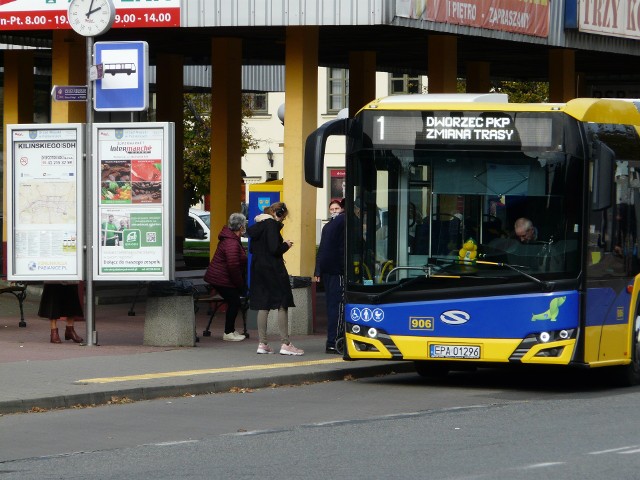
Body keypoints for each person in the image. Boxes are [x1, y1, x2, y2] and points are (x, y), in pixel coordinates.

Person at [246, 202, 304, 355]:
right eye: (283, 217)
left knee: (263, 305)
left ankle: (262, 343)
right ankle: (285, 344)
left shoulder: (258, 226)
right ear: (278, 213)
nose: (282, 220)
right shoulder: (271, 225)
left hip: (258, 269)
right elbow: (274, 249)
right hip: (273, 269)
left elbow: (252, 249)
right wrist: (285, 245)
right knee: (282, 302)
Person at [204, 213, 248, 341]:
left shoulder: (231, 239)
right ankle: (228, 332)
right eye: (244, 225)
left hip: (222, 278)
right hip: (221, 278)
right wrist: (240, 284)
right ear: (240, 227)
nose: (245, 227)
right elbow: (233, 266)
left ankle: (231, 330)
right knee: (234, 301)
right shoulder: (231, 242)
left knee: (234, 301)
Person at [314, 199, 345, 354]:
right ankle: (334, 341)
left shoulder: (328, 226)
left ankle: (332, 341)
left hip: (328, 271)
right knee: (338, 306)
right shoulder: (343, 222)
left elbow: (322, 250)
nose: (334, 211)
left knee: (331, 305)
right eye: (332, 208)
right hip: (337, 271)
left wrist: (318, 270)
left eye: (336, 208)